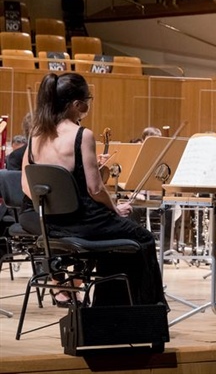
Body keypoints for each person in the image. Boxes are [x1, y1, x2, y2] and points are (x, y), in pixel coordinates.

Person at [20, 72, 167, 308]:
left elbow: (27, 186)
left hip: (51, 224)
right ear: (77, 104)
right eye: (88, 100)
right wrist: (115, 210)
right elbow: (95, 188)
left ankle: (108, 310)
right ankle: (141, 314)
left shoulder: (36, 135)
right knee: (144, 238)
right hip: (85, 222)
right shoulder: (82, 135)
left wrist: (52, 209)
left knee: (121, 239)